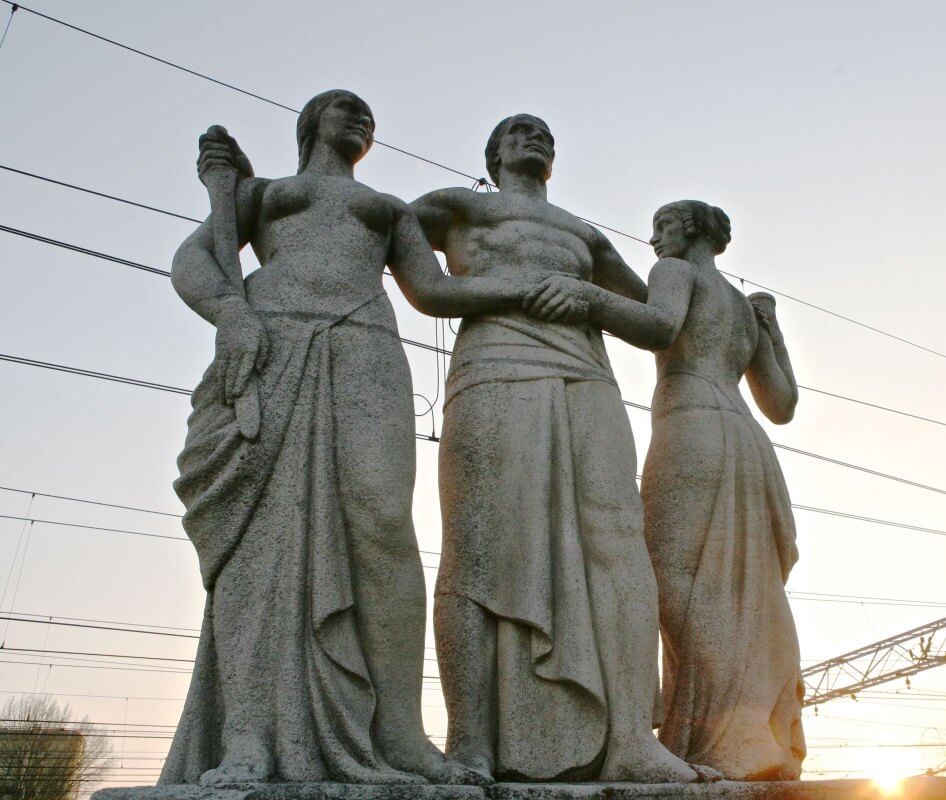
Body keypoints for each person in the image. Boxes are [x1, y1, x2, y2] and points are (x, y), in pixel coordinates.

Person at [164, 90, 532, 786]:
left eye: (367, 113)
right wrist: (231, 317)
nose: (360, 117)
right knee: (260, 539)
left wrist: (515, 289)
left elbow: (432, 291)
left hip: (366, 348)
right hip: (270, 344)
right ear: (310, 125)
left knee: (384, 525)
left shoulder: (389, 209)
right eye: (343, 107)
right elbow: (193, 263)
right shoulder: (263, 192)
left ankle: (402, 736)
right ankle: (250, 736)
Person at [413, 115, 706, 783]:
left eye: (543, 131)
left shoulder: (581, 233)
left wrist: (588, 294)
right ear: (492, 155)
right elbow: (393, 251)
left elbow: (655, 322)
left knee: (616, 537)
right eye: (517, 131)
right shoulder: (461, 207)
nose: (533, 136)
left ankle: (633, 736)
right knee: (479, 544)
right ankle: (472, 742)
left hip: (586, 377)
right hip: (494, 368)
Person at [525, 200, 806, 780]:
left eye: (662, 228)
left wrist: (590, 299)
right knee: (745, 591)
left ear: (691, 230)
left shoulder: (674, 273)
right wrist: (772, 336)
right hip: (749, 442)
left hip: (693, 427)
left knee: (673, 585)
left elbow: (657, 327)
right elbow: (781, 405)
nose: (653, 242)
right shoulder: (743, 308)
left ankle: (719, 741)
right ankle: (756, 739)